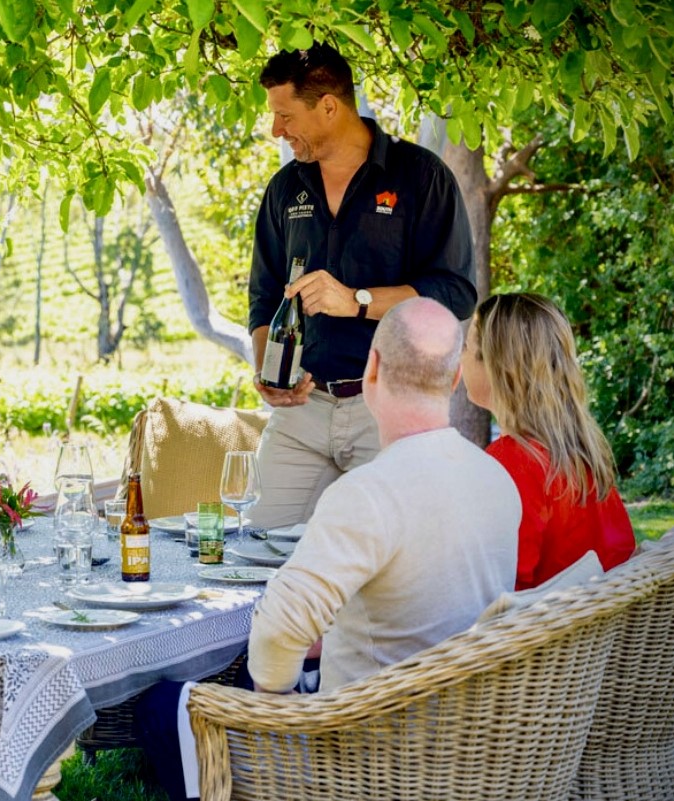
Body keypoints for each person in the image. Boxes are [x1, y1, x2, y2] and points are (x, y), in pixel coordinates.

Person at [138, 299, 520, 801]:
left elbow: (275, 641)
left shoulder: (368, 493)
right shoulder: (495, 477)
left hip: (355, 758)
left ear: (372, 368)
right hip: (454, 743)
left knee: (159, 707)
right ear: (452, 381)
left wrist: (274, 710)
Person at [246, 42, 477, 528]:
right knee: (257, 547)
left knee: (391, 567)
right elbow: (265, 295)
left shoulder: (421, 177)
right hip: (301, 414)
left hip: (389, 411)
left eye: (285, 116)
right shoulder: (284, 188)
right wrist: (269, 372)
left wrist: (356, 301)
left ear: (328, 106)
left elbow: (454, 292)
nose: (276, 130)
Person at [460, 292, 634, 589]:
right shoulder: (581, 453)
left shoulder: (511, 465)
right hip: (593, 630)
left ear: (498, 368)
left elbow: (498, 589)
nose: (459, 357)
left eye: (465, 347)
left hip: (539, 633)